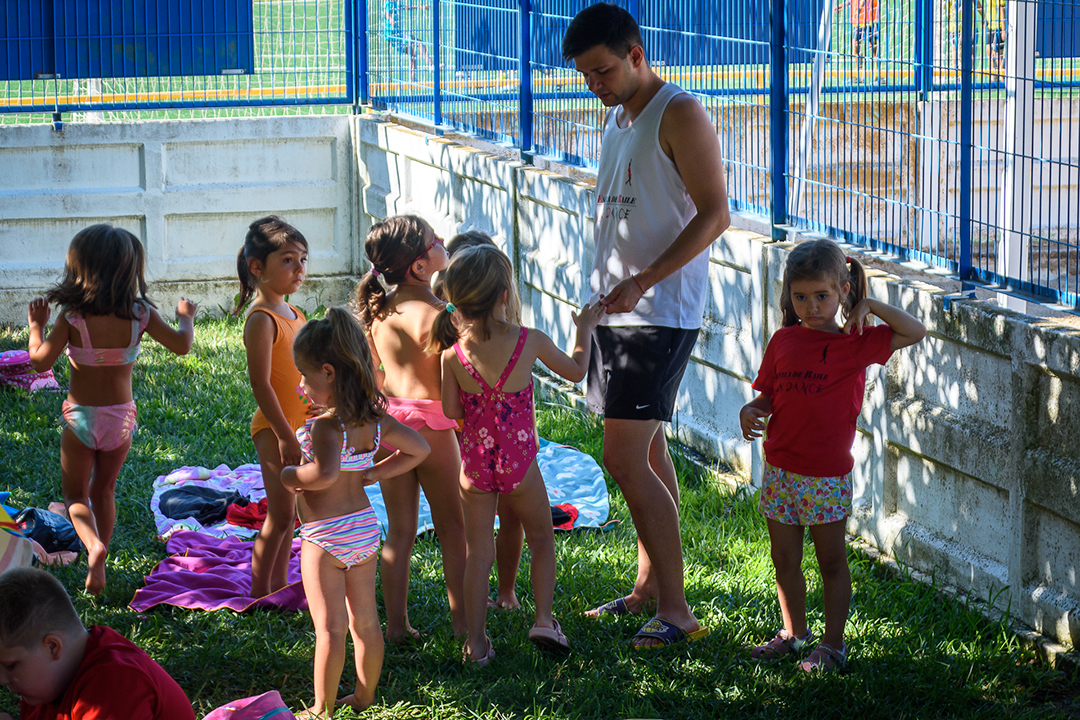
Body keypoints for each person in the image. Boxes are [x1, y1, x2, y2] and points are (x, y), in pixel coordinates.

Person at [562, 3, 730, 648]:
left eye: (602, 70)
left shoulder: (680, 112)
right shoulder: (616, 117)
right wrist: (600, 297)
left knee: (623, 457)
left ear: (636, 52)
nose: (594, 85)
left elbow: (715, 215)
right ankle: (648, 590)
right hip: (615, 311)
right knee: (648, 451)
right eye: (585, 75)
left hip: (657, 314)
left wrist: (644, 281)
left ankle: (679, 612)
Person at [740, 239, 925, 672]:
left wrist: (872, 306)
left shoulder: (855, 343)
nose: (811, 306)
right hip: (781, 471)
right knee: (784, 560)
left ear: (844, 289)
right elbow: (771, 394)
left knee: (831, 562)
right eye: (800, 296)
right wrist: (753, 408)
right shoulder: (783, 340)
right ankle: (794, 633)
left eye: (822, 295)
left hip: (824, 476)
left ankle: (833, 645)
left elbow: (916, 331)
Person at [430, 244, 604, 664]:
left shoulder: (451, 356)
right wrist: (585, 327)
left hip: (473, 469)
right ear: (504, 295)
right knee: (542, 538)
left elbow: (451, 412)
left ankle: (476, 642)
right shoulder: (529, 341)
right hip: (520, 466)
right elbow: (578, 371)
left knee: (478, 554)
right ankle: (543, 619)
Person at [26, 225, 196, 595]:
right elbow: (182, 346)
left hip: (80, 418)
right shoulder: (140, 314)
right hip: (120, 419)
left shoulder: (72, 317)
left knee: (74, 496)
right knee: (104, 489)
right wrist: (186, 316)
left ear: (80, 268)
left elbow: (40, 362)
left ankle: (94, 547)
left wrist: (35, 326)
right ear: (129, 269)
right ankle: (104, 544)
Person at [282, 309, 430, 717]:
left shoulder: (327, 428)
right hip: (364, 529)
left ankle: (321, 709)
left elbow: (324, 474)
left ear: (328, 373)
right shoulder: (373, 419)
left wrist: (290, 473)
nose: (301, 383)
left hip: (325, 537)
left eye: (304, 375)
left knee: (329, 629)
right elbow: (420, 448)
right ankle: (364, 696)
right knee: (365, 623)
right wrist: (373, 472)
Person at [354, 215, 468, 641]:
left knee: (399, 531)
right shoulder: (444, 314)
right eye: (434, 239)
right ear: (420, 266)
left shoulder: (378, 310)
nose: (442, 241)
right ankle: (463, 627)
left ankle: (397, 626)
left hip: (392, 428)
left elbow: (375, 375)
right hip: (435, 431)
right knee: (453, 529)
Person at [435, 230, 524, 611]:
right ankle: (503, 598)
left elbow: (449, 407)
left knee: (499, 523)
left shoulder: (507, 331)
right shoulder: (453, 331)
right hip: (494, 447)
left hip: (475, 444)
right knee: (492, 524)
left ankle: (500, 597)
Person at [0, 566, 194, 720]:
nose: (2, 679)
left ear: (52, 647)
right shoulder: (43, 686)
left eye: (10, 665)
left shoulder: (116, 684)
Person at [234, 216, 311, 599]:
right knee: (279, 516)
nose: (299, 269)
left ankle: (278, 585)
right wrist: (283, 435)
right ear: (257, 267)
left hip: (299, 429)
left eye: (302, 260)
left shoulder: (296, 315)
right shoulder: (262, 320)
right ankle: (260, 592)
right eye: (288, 260)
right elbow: (261, 384)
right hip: (274, 430)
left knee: (290, 517)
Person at [384, 0, 432, 82]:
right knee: (419, 43)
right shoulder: (389, 4)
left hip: (393, 37)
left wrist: (419, 7)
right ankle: (431, 64)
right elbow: (386, 14)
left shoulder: (395, 4)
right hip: (395, 35)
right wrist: (391, 19)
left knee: (413, 53)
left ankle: (412, 78)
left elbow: (406, 7)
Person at [836, 0, 881, 83]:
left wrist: (860, 8)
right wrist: (843, 5)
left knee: (873, 48)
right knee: (856, 48)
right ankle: (860, 75)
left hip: (869, 18)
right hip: (859, 20)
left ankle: (878, 75)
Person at [979, 0, 1006, 72]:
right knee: (989, 52)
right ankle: (993, 78)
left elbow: (1002, 10)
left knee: (997, 54)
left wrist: (1003, 30)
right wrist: (985, 20)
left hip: (998, 27)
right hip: (990, 26)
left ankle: (1003, 77)